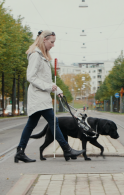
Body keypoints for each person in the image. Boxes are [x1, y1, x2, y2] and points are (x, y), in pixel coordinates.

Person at [15, 30, 85, 163]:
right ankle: (66, 149)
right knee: (53, 122)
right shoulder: (36, 55)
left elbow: (45, 79)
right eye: (51, 42)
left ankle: (20, 151)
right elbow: (31, 77)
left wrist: (57, 89)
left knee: (31, 124)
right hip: (38, 97)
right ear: (44, 40)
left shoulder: (42, 56)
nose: (53, 45)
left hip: (41, 96)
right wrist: (48, 87)